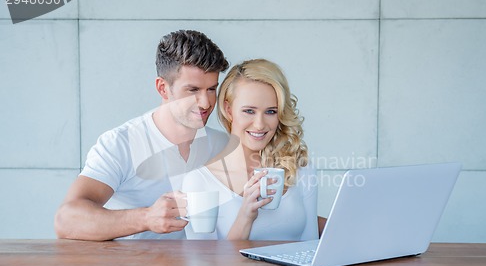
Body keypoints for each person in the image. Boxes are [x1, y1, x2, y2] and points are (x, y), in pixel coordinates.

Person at [55, 30, 229, 241]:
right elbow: (66, 220)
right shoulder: (120, 143)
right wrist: (147, 218)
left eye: (211, 89)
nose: (205, 102)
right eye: (192, 90)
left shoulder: (223, 145)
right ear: (163, 89)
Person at [182, 59, 325, 240]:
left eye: (271, 112)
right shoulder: (199, 182)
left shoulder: (301, 169)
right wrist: (245, 216)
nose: (259, 125)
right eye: (249, 111)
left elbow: (310, 246)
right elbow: (203, 265)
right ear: (228, 109)